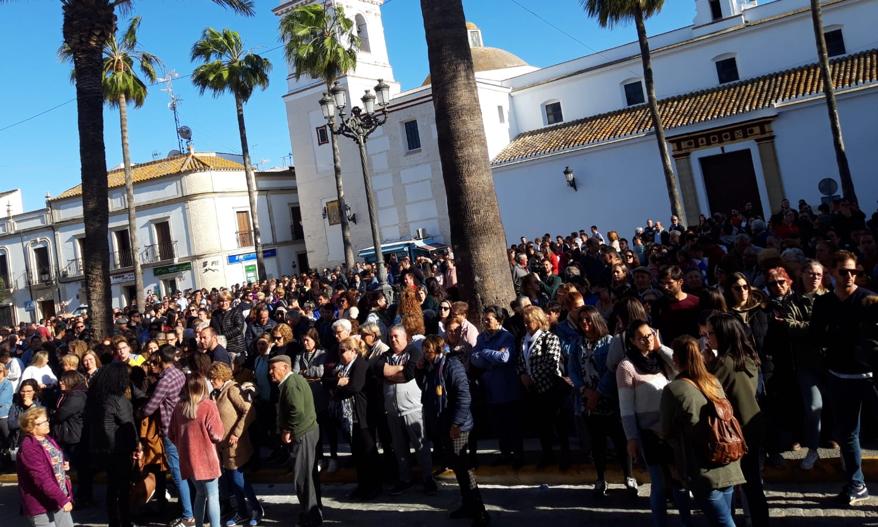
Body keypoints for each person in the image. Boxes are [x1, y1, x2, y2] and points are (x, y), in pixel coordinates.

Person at [810, 250, 877, 506]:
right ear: (832, 272)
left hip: (871, 376)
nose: (849, 276)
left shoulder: (869, 299)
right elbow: (816, 336)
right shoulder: (824, 303)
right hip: (840, 376)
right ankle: (856, 483)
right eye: (843, 271)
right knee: (848, 434)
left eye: (853, 271)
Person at [661, 336, 746, 527]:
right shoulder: (714, 381)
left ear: (675, 359)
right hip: (727, 459)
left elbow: (665, 430)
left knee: (724, 522)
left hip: (702, 467)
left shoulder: (673, 390)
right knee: (723, 518)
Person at [617, 320, 689, 527]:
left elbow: (680, 369)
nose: (646, 340)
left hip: (673, 430)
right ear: (632, 341)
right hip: (649, 433)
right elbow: (626, 407)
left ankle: (686, 521)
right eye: (641, 337)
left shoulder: (661, 359)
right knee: (659, 484)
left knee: (680, 481)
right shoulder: (627, 366)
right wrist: (631, 437)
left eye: (649, 335)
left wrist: (660, 347)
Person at [419, 335, 489, 526]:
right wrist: (420, 369)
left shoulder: (451, 366)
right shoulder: (432, 367)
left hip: (457, 427)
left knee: (465, 470)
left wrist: (456, 424)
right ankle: (468, 504)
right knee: (458, 469)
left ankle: (479, 511)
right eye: (424, 351)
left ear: (439, 350)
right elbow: (426, 390)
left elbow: (464, 397)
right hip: (444, 426)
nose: (426, 355)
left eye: (429, 351)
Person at [707, 313, 769, 527]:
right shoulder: (748, 356)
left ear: (723, 335)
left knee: (732, 483)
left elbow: (709, 390)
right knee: (753, 482)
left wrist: (707, 365)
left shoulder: (724, 362)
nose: (707, 337)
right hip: (753, 424)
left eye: (711, 333)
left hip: (735, 431)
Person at [573, 306, 636, 497]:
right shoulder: (578, 344)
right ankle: (600, 478)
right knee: (597, 443)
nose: (585, 323)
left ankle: (629, 476)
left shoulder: (609, 343)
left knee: (619, 441)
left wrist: (598, 392)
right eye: (582, 319)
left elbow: (612, 369)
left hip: (609, 399)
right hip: (588, 401)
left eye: (588, 319)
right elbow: (573, 369)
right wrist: (585, 390)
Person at [378, 325, 436, 495]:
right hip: (392, 410)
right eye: (390, 337)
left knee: (420, 446)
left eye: (396, 336)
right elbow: (379, 370)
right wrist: (396, 370)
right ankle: (405, 479)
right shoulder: (386, 355)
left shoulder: (414, 352)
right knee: (399, 448)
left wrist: (390, 375)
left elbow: (409, 374)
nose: (393, 339)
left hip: (412, 408)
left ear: (405, 338)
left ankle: (428, 479)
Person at [141, 345, 192, 527]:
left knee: (178, 473)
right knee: (184, 470)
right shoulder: (179, 374)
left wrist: (140, 411)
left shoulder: (164, 380)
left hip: (169, 429)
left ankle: (188, 515)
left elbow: (150, 407)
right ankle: (188, 508)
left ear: (162, 360)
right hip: (181, 426)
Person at [270, 354, 322, 527]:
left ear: (285, 367)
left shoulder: (291, 384)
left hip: (302, 434)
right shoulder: (293, 381)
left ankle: (311, 518)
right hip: (307, 431)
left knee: (303, 478)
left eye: (273, 368)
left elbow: (297, 411)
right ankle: (313, 512)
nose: (270, 372)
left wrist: (287, 430)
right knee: (309, 476)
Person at [207, 362, 261, 527]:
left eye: (213, 378)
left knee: (238, 479)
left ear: (221, 377)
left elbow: (249, 410)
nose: (211, 381)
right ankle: (242, 512)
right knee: (232, 479)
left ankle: (256, 509)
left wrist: (236, 433)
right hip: (224, 446)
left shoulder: (233, 389)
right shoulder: (218, 392)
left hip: (236, 444)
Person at [517, 305, 571, 468]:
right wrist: (523, 376)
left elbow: (551, 362)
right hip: (533, 390)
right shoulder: (523, 340)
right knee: (542, 425)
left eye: (529, 321)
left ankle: (565, 455)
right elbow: (520, 362)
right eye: (524, 322)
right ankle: (547, 455)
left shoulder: (550, 338)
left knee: (558, 424)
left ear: (539, 320)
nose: (526, 325)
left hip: (551, 387)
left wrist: (532, 376)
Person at [470, 306, 523, 467]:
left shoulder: (506, 337)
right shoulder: (481, 338)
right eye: (484, 319)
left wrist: (485, 353)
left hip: (508, 388)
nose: (485, 322)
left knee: (512, 425)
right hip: (491, 389)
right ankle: (505, 454)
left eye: (489, 319)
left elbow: (505, 358)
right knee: (499, 426)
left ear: (498, 320)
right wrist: (492, 354)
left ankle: (518, 456)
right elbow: (474, 358)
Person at [87, 362, 138, 527]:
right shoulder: (115, 399)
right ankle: (122, 520)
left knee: (114, 487)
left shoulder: (102, 396)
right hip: (118, 450)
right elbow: (116, 425)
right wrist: (134, 445)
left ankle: (117, 520)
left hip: (114, 450)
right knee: (120, 489)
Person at [170, 375, 225, 527]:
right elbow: (218, 435)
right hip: (207, 459)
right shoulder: (208, 405)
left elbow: (171, 434)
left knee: (200, 494)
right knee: (213, 496)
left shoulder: (179, 406)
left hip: (187, 459)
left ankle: (199, 525)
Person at [330, 337, 380, 501]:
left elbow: (354, 387)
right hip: (351, 417)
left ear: (353, 351)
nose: (340, 353)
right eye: (339, 350)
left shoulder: (360, 365)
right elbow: (329, 381)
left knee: (368, 452)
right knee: (358, 454)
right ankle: (363, 485)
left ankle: (374, 487)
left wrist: (338, 389)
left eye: (343, 350)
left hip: (363, 416)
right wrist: (338, 383)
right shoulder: (342, 368)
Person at [16, 407, 74, 527]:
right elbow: (41, 478)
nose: (47, 423)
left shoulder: (46, 438)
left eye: (46, 420)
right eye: (43, 422)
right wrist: (62, 500)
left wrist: (61, 464)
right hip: (40, 503)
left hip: (57, 497)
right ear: (31, 427)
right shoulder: (29, 447)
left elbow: (52, 457)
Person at [294, 329, 333, 472]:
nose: (305, 343)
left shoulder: (323, 353)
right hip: (307, 397)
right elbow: (295, 373)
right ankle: (319, 457)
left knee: (326, 428)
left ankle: (333, 457)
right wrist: (308, 374)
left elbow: (321, 371)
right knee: (314, 430)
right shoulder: (300, 355)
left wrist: (305, 372)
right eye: (303, 340)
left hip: (321, 395)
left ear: (315, 340)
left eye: (308, 340)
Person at [211, 291, 247, 361]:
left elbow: (239, 328)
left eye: (226, 300)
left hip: (235, 346)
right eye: (221, 301)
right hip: (220, 347)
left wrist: (223, 336)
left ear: (230, 301)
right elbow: (212, 328)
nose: (224, 303)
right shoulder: (215, 314)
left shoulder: (236, 311)